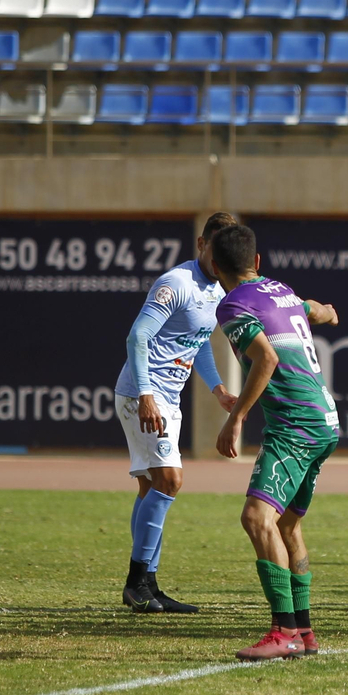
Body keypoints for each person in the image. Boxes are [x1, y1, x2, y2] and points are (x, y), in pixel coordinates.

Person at [212, 224, 342, 660]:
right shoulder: (280, 290)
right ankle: (303, 632)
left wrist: (236, 418)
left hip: (296, 425)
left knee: (256, 519)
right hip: (325, 420)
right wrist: (324, 310)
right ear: (258, 262)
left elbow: (264, 358)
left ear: (215, 267)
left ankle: (283, 631)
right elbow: (316, 311)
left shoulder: (232, 305)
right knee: (286, 524)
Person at [114, 211, 239, 614]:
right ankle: (137, 583)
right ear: (202, 245)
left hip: (168, 397)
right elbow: (138, 335)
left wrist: (218, 387)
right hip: (143, 394)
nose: (219, 255)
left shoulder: (217, 289)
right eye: (215, 245)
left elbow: (198, 340)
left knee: (152, 487)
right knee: (170, 480)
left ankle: (148, 585)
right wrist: (147, 394)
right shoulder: (176, 283)